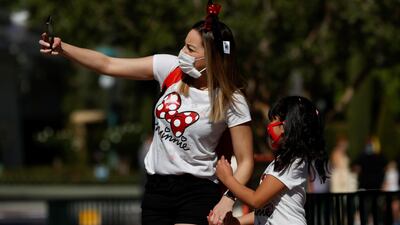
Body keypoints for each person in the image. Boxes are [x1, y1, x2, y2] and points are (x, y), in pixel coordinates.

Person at [39, 1, 254, 225]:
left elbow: (246, 160)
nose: (182, 53)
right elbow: (108, 64)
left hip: (197, 190)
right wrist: (63, 49)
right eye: (184, 45)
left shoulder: (231, 99)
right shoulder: (171, 69)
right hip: (156, 188)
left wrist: (228, 199)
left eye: (190, 49)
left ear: (213, 57)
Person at [209, 96, 329, 225]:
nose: (269, 126)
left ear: (285, 126)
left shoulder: (292, 163)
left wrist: (228, 179)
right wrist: (236, 222)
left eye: (273, 120)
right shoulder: (281, 162)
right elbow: (266, 211)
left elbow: (256, 200)